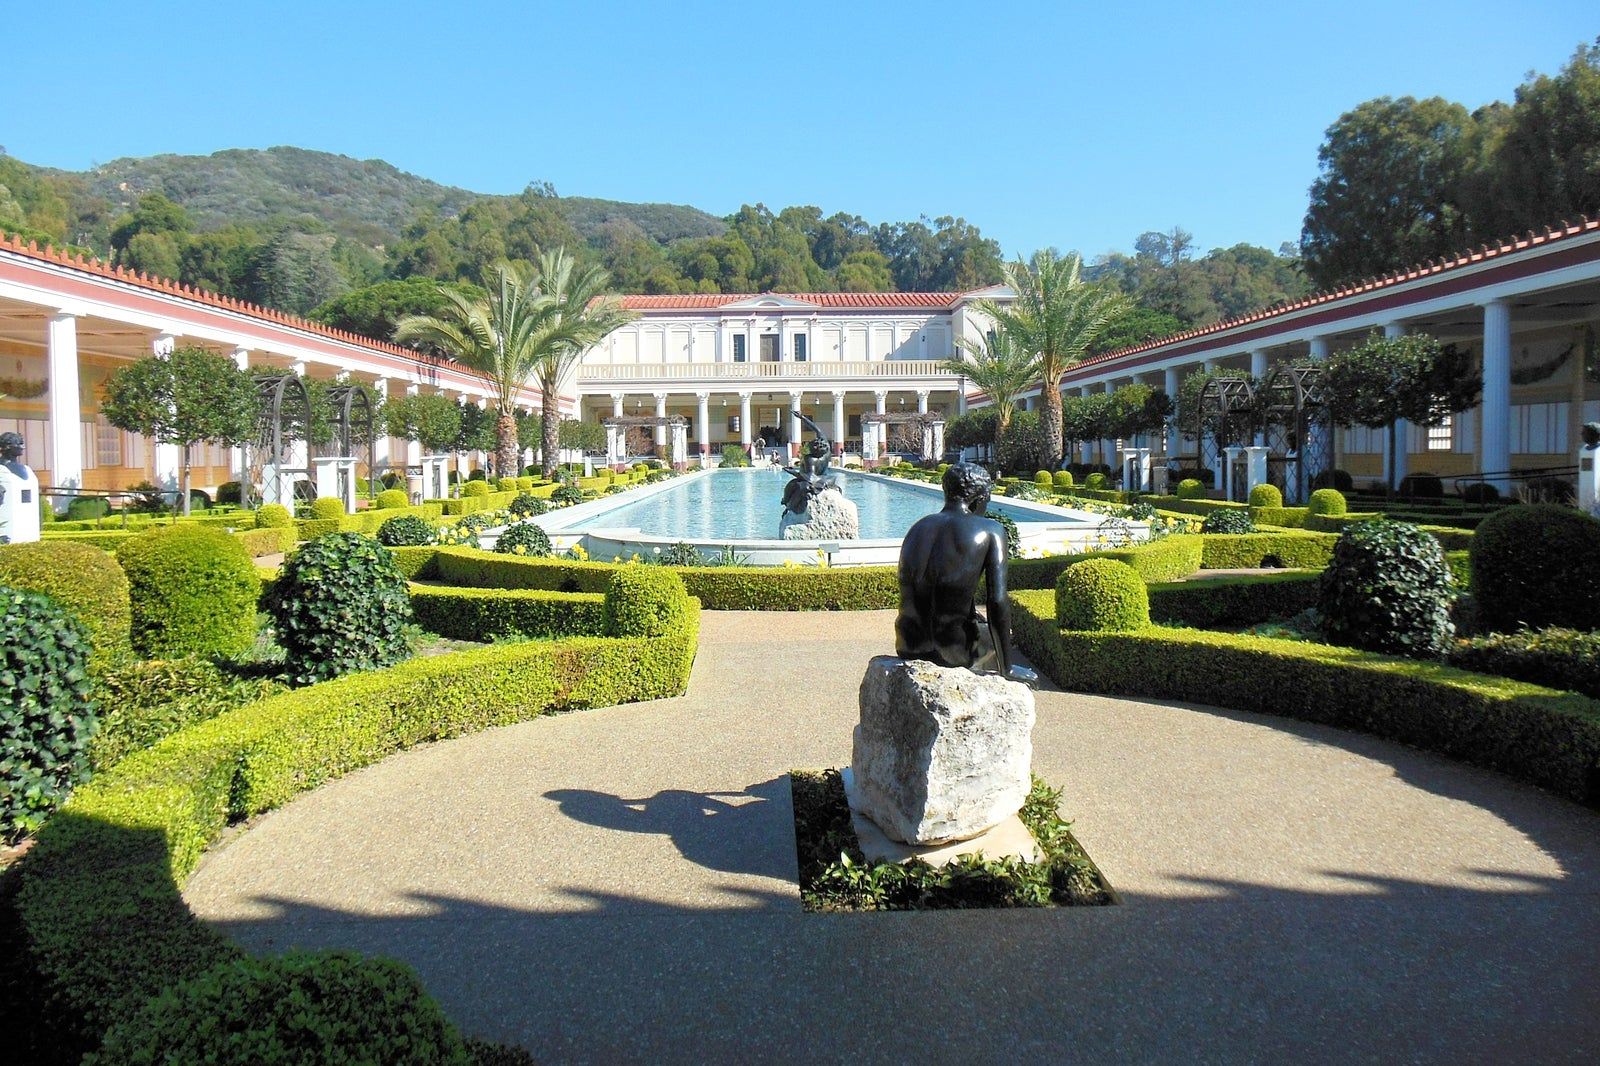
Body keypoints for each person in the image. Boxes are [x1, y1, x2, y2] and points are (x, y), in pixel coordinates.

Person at [895, 462, 1037, 685]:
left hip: (908, 644)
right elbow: (997, 601)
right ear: (979, 499)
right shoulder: (991, 530)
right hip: (954, 653)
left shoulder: (918, 528)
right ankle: (1001, 667)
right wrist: (1006, 669)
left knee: (973, 621)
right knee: (994, 637)